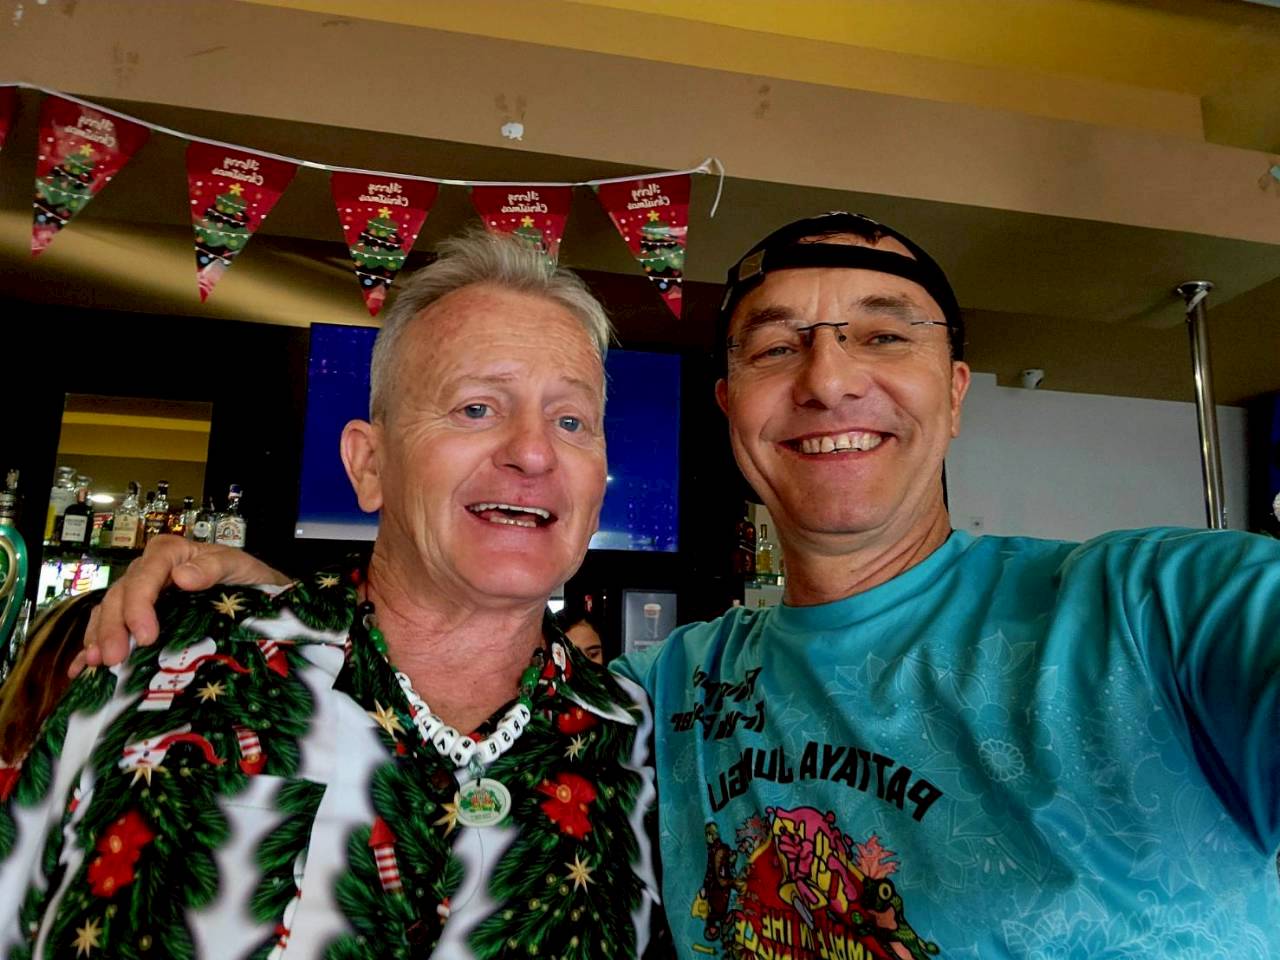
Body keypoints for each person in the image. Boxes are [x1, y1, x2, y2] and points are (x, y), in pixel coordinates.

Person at [74, 213, 1280, 957]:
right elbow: (451, 676)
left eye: (882, 333)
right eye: (775, 345)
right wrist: (284, 606)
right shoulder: (657, 695)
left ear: (954, 393)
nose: (827, 379)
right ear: (728, 408)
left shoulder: (1157, 611)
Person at [0, 232, 662, 959]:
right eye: (477, 408)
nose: (534, 451)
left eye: (571, 421)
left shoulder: (641, 743)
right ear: (369, 464)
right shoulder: (167, 669)